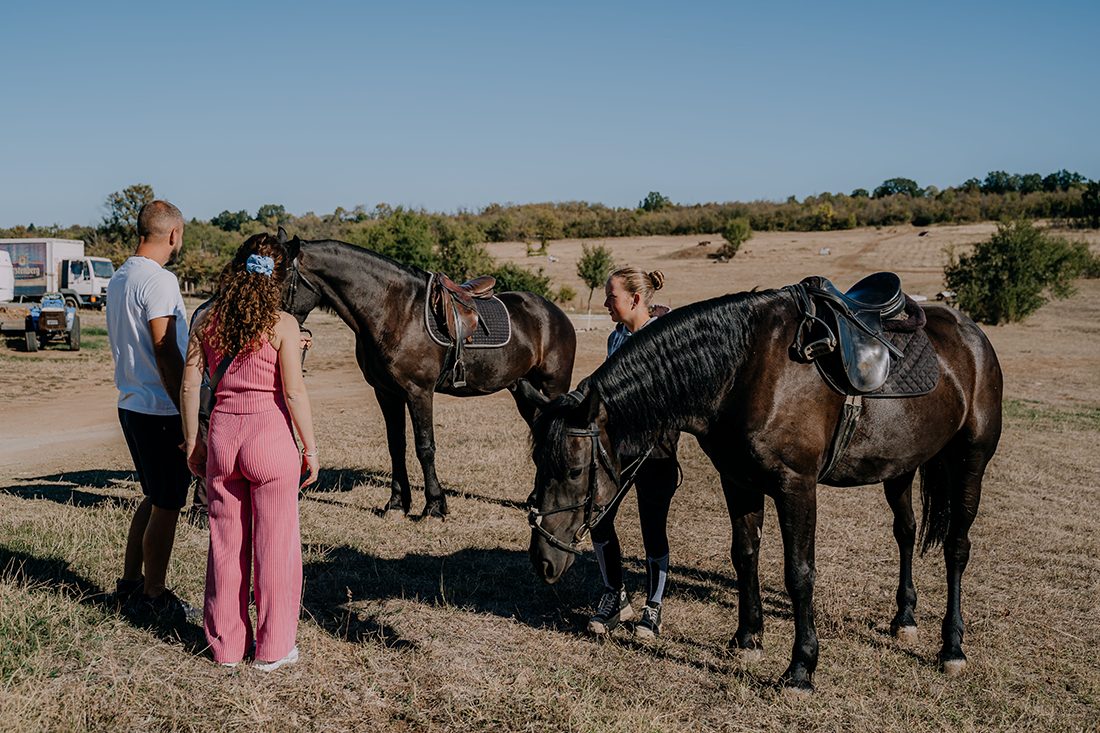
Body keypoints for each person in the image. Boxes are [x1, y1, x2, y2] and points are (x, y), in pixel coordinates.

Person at [181, 233, 318, 671]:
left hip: (223, 437)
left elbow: (189, 385)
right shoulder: (283, 325)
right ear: (277, 279)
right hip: (270, 437)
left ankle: (225, 646)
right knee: (276, 546)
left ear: (237, 269)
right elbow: (293, 394)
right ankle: (274, 649)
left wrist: (193, 442)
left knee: (225, 543)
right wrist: (310, 448)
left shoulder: (206, 320)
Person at [106, 199, 197, 620]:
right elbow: (165, 350)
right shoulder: (160, 281)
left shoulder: (120, 276)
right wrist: (186, 410)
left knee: (155, 494)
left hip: (131, 402)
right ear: (173, 234)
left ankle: (130, 583)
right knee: (168, 503)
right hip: (160, 409)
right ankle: (155, 596)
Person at [587, 266, 680, 641]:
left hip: (656, 452)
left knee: (651, 528)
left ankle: (653, 607)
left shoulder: (665, 339)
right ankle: (615, 596)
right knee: (598, 516)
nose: (606, 303)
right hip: (618, 450)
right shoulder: (615, 337)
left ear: (635, 299)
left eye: (611, 296)